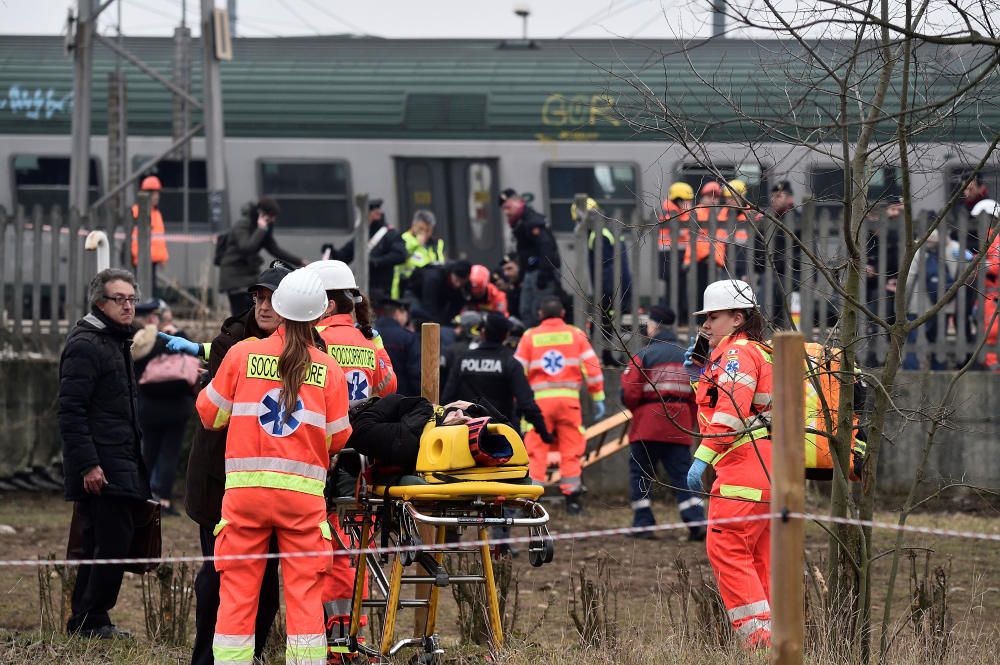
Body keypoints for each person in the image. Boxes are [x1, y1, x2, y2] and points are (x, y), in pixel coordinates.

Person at [196, 268, 352, 665]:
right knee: (303, 598)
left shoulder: (242, 353)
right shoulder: (329, 369)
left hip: (245, 499)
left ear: (278, 310)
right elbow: (338, 438)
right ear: (319, 316)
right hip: (302, 503)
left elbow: (210, 415)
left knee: (237, 596)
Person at [183, 264, 290, 665]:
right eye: (259, 297)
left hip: (280, 487)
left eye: (273, 298)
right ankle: (205, 659)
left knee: (266, 586)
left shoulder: (311, 350)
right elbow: (214, 415)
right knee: (215, 578)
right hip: (221, 482)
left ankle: (254, 654)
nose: (264, 306)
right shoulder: (230, 344)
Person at [59, 268, 151, 639]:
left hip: (120, 459)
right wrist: (88, 464)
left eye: (131, 299)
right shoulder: (86, 344)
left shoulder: (113, 340)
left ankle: (87, 620)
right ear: (100, 303)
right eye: (120, 299)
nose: (128, 306)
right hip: (102, 464)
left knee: (104, 542)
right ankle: (92, 619)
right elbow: (70, 411)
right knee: (112, 542)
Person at [685, 279, 773, 649]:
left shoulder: (737, 355)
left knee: (727, 548)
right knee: (759, 560)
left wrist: (701, 458)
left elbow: (732, 411)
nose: (705, 325)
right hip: (767, 472)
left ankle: (759, 644)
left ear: (738, 318)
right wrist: (701, 371)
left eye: (713, 317)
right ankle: (775, 640)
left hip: (741, 471)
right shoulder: (759, 351)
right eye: (704, 318)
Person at [620, 305, 705, 541]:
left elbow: (629, 391)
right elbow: (698, 392)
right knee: (682, 474)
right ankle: (696, 520)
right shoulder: (687, 355)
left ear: (655, 325)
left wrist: (638, 410)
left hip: (647, 423)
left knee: (641, 474)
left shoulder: (644, 355)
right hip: (680, 424)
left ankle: (643, 524)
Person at [515, 296, 604, 513]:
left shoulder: (530, 337)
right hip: (568, 402)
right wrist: (598, 397)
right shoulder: (575, 334)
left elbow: (517, 371)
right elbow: (592, 368)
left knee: (536, 449)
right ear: (563, 314)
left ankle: (531, 500)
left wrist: (518, 400)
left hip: (539, 404)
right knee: (571, 449)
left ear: (540, 315)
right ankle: (573, 499)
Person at [442, 312, 552, 444]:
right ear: (506, 335)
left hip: (466, 434)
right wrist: (544, 433)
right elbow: (526, 403)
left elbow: (448, 398)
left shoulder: (463, 360)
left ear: (482, 333)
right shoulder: (510, 363)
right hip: (501, 436)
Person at [132, 299, 196, 517]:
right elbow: (192, 359)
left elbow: (135, 367)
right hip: (177, 408)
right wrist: (180, 334)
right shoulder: (175, 337)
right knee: (170, 454)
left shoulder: (140, 340)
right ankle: (165, 501)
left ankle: (141, 497)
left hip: (148, 408)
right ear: (154, 317)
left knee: (147, 452)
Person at [310, 260, 397, 403]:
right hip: (361, 423)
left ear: (329, 306)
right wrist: (378, 348)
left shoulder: (309, 338)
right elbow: (389, 387)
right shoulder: (366, 342)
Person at [570, 197, 633, 363]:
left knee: (604, 323)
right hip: (619, 285)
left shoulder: (598, 236)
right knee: (609, 323)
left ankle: (605, 357)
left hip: (610, 288)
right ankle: (608, 356)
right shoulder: (608, 231)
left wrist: (603, 294)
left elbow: (605, 267)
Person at [218, 197, 305, 315]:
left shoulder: (262, 229)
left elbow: (275, 250)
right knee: (241, 314)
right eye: (271, 216)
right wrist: (261, 229)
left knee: (252, 312)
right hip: (234, 276)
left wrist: (301, 262)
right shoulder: (243, 225)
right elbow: (246, 247)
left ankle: (250, 333)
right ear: (261, 213)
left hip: (249, 275)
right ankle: (241, 333)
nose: (273, 220)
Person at [499, 188, 562, 326]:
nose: (506, 212)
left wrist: (544, 274)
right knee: (526, 311)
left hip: (541, 273)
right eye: (504, 209)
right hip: (530, 272)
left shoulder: (532, 221)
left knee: (539, 312)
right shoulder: (520, 222)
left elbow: (546, 246)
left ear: (518, 202)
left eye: (508, 207)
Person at [327, 198, 406, 304]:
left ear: (376, 215)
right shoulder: (362, 236)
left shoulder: (390, 234)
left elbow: (400, 255)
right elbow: (344, 256)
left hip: (382, 289)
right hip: (363, 288)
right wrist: (332, 251)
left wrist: (376, 261)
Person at [684, 182, 728, 308]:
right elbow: (696, 239)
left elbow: (719, 238)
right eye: (710, 196)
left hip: (716, 260)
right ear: (702, 197)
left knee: (714, 293)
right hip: (700, 260)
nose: (713, 199)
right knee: (701, 291)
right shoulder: (697, 212)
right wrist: (707, 256)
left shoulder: (721, 213)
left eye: (716, 196)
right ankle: (700, 319)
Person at [659, 182, 694, 317]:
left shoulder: (674, 211)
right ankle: (674, 315)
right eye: (687, 201)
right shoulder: (670, 213)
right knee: (674, 287)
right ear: (678, 200)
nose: (690, 204)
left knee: (678, 286)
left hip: (675, 253)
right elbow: (683, 231)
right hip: (669, 254)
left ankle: (677, 314)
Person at [130, 176, 169, 296]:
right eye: (153, 193)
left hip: (153, 259)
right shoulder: (136, 211)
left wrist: (163, 257)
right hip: (142, 259)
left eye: (157, 193)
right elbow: (134, 237)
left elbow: (159, 238)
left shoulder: (157, 214)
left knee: (151, 290)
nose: (156, 196)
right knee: (144, 290)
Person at [392, 209, 445, 298]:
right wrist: (417, 244)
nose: (424, 233)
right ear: (413, 226)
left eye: (428, 230)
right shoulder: (403, 239)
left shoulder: (436, 244)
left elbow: (440, 262)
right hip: (407, 285)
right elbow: (401, 257)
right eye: (420, 229)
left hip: (428, 285)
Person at [375, 299, 421, 396]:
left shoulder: (367, 335)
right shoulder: (408, 337)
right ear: (397, 313)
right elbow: (415, 373)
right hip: (402, 400)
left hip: (373, 399)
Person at [406, 259, 473, 325]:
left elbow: (457, 307)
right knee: (419, 315)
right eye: (456, 280)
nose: (458, 284)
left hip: (439, 299)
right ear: (451, 273)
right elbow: (429, 305)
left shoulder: (465, 286)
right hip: (417, 295)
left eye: (461, 282)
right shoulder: (434, 276)